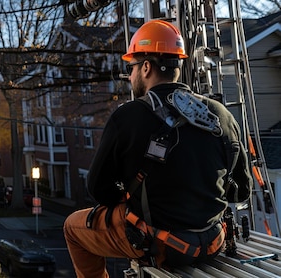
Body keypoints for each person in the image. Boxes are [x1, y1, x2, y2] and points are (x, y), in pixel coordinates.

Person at [63, 20, 253, 277]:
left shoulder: (127, 117)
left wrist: (133, 194)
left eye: (131, 68)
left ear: (146, 67)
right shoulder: (221, 115)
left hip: (159, 243)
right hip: (211, 242)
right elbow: (241, 191)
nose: (129, 76)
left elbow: (98, 189)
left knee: (73, 229)